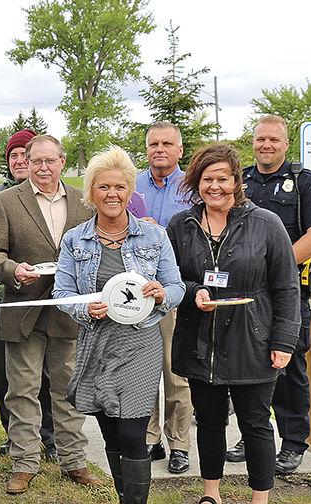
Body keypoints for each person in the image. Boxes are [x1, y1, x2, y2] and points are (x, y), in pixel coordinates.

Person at [53, 146, 184, 504]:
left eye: (120, 187)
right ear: (91, 192)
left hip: (139, 343)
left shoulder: (154, 236)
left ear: (130, 191)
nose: (112, 194)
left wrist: (162, 294)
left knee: (131, 432)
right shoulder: (75, 240)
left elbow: (177, 286)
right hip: (96, 343)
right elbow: (62, 293)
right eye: (103, 187)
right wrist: (83, 307)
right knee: (109, 429)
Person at [167, 143, 300, 504]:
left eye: (223, 178)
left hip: (252, 339)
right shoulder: (181, 225)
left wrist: (283, 341)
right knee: (208, 421)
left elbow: (286, 286)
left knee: (255, 422)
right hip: (199, 341)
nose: (215, 186)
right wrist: (194, 292)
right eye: (207, 179)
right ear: (196, 183)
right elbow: (171, 278)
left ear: (237, 181)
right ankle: (212, 493)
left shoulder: (266, 223)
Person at [0, 134, 100, 495]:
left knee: (68, 390)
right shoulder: (6, 201)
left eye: (50, 161)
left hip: (69, 313)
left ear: (62, 162)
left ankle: (74, 460)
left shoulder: (84, 203)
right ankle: (24, 463)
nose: (43, 168)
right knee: (22, 390)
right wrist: (12, 270)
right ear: (27, 162)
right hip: (23, 310)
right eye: (36, 161)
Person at [226, 115, 311, 474]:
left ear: (286, 144)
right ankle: (253, 436)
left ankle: (292, 442)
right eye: (261, 139)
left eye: (274, 139)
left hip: (286, 293)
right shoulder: (241, 181)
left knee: (288, 368)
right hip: (246, 295)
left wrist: (277, 267)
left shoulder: (304, 182)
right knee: (248, 367)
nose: (266, 145)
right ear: (253, 142)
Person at [0, 128, 57, 461]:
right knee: (6, 374)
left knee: (47, 374)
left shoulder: (54, 196)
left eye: (27, 155)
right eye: (14, 155)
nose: (21, 161)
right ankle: (14, 435)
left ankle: (50, 436)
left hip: (48, 298)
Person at [134, 121, 194, 474]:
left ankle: (180, 444)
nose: (160, 149)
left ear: (179, 149)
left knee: (176, 373)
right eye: (154, 144)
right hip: (136, 293)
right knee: (143, 372)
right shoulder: (133, 185)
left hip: (173, 290)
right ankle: (150, 438)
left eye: (167, 144)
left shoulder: (192, 187)